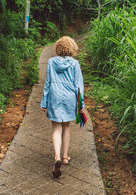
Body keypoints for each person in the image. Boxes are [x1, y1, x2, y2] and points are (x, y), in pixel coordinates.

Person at [40, 36, 84, 178]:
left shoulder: (51, 62)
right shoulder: (75, 64)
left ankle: (57, 157)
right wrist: (81, 104)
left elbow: (47, 82)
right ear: (72, 48)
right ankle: (65, 157)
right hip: (69, 98)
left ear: (58, 48)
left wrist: (44, 102)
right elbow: (79, 86)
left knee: (56, 129)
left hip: (55, 96)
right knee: (66, 127)